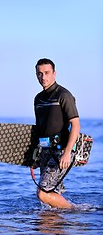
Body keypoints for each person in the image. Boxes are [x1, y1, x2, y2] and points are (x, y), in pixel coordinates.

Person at [33, 58, 80, 209]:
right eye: (40, 74)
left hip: (62, 152)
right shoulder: (38, 99)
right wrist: (35, 156)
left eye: (47, 73)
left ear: (54, 73)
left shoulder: (63, 95)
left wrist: (67, 153)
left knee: (43, 193)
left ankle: (76, 211)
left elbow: (76, 125)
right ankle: (55, 227)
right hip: (46, 151)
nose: (43, 77)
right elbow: (40, 129)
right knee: (51, 196)